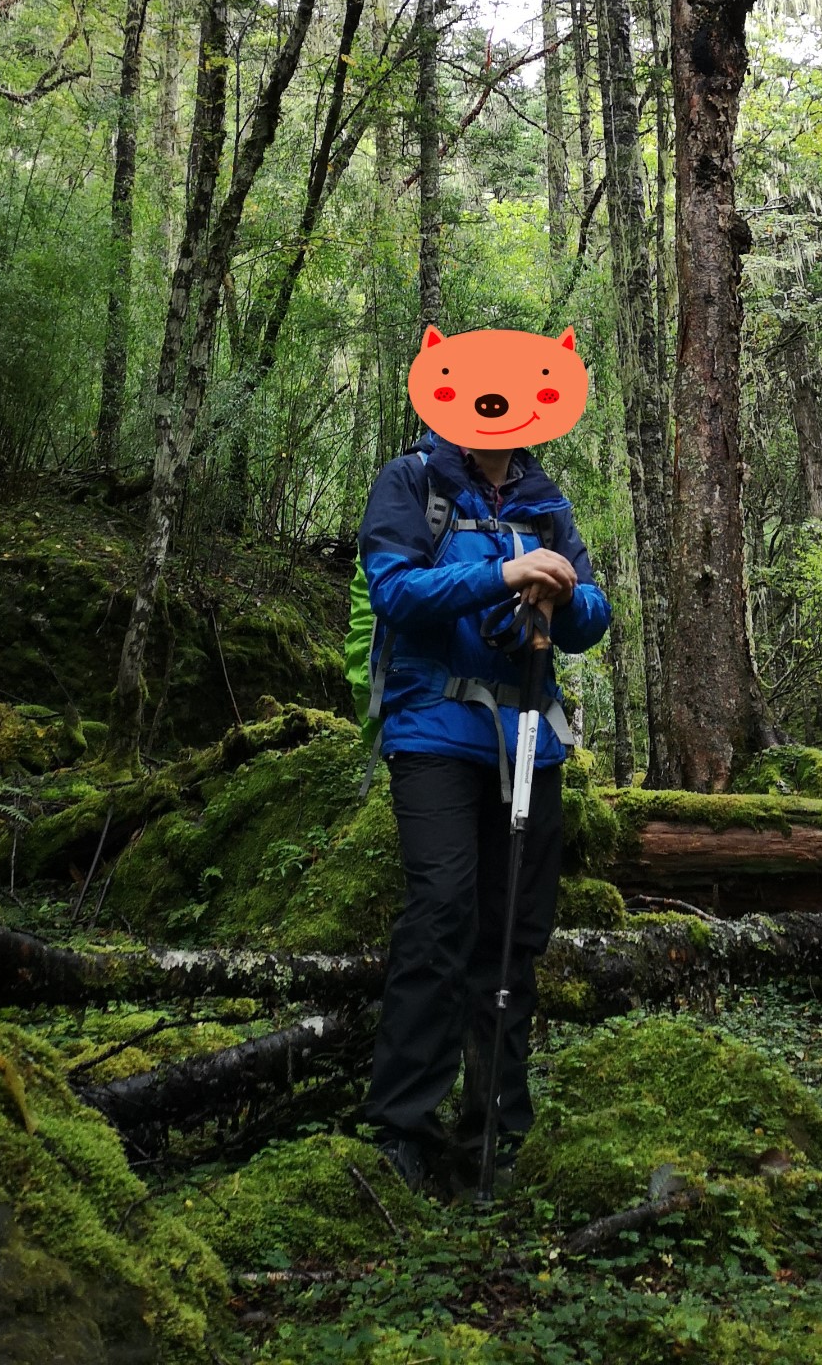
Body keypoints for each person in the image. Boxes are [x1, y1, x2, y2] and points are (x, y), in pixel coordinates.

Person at [355, 422, 612, 1194]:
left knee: (514, 933)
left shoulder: (545, 499)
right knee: (441, 911)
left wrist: (560, 592)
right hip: (434, 734)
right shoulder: (411, 483)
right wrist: (504, 572)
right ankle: (403, 1127)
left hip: (531, 737)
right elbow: (394, 591)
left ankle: (494, 1128)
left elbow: (594, 618)